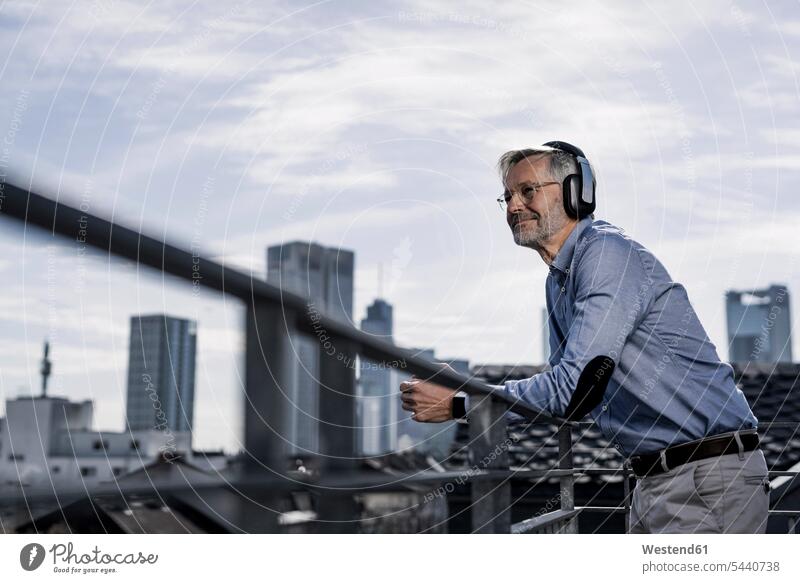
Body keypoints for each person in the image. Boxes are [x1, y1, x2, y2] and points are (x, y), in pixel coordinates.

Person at [400, 141, 769, 534]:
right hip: (654, 480)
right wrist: (466, 394)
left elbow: (572, 389)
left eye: (528, 191)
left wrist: (463, 401)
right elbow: (570, 400)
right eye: (506, 196)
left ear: (578, 193)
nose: (512, 207)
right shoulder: (557, 282)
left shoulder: (606, 255)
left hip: (705, 479)